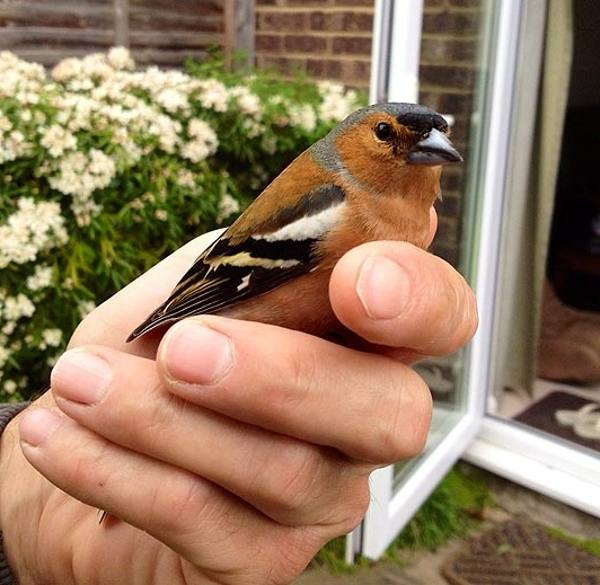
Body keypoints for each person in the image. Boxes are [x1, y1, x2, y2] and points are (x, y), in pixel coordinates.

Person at [0, 216, 477, 585]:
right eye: (386, 135)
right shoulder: (332, 210)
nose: (422, 151)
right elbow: (229, 277)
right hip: (217, 310)